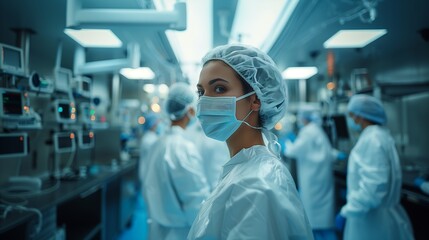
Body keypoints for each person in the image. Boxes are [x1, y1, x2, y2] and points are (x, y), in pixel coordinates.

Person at [188, 43, 313, 240]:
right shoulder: (245, 167)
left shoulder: (254, 185)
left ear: (255, 100)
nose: (204, 102)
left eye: (219, 88)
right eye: (201, 92)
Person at [336, 94, 414, 240]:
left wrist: (347, 211)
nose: (351, 120)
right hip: (377, 218)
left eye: (352, 115)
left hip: (371, 222)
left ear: (361, 116)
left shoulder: (373, 140)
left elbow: (373, 188)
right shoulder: (380, 136)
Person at [142, 82, 210, 240]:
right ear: (190, 111)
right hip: (179, 233)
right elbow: (196, 199)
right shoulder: (182, 148)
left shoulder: (158, 143)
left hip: (158, 227)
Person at [283, 105, 343, 240]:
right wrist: (337, 155)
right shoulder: (317, 130)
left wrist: (286, 144)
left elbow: (293, 151)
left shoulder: (308, 132)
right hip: (320, 178)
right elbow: (327, 151)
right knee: (321, 217)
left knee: (314, 217)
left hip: (312, 180)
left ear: (304, 118)